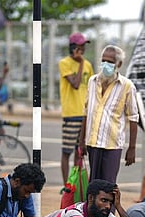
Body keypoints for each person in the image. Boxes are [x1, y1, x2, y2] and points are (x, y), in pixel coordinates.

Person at [79, 45, 139, 183]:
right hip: (92, 143)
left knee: (108, 185)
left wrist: (132, 148)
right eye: (104, 60)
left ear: (119, 64)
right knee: (93, 185)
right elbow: (86, 112)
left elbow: (133, 118)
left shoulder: (127, 86)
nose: (106, 65)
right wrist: (81, 141)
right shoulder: (92, 82)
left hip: (112, 145)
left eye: (110, 62)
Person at [59, 32, 94, 185]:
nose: (83, 48)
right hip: (71, 112)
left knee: (79, 152)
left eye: (84, 45)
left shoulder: (88, 65)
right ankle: (66, 184)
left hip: (85, 113)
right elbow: (75, 84)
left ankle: (75, 183)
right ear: (73, 47)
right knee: (67, 151)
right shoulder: (65, 63)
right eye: (80, 46)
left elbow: (91, 87)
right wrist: (79, 64)